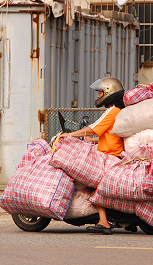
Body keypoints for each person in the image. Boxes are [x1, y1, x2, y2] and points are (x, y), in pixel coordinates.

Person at [61, 77, 125, 234]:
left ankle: (103, 221)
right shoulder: (118, 111)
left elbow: (92, 129)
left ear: (109, 93)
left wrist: (70, 136)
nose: (98, 96)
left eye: (100, 93)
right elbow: (108, 135)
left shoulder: (112, 111)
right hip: (112, 154)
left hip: (109, 156)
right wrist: (92, 140)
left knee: (92, 180)